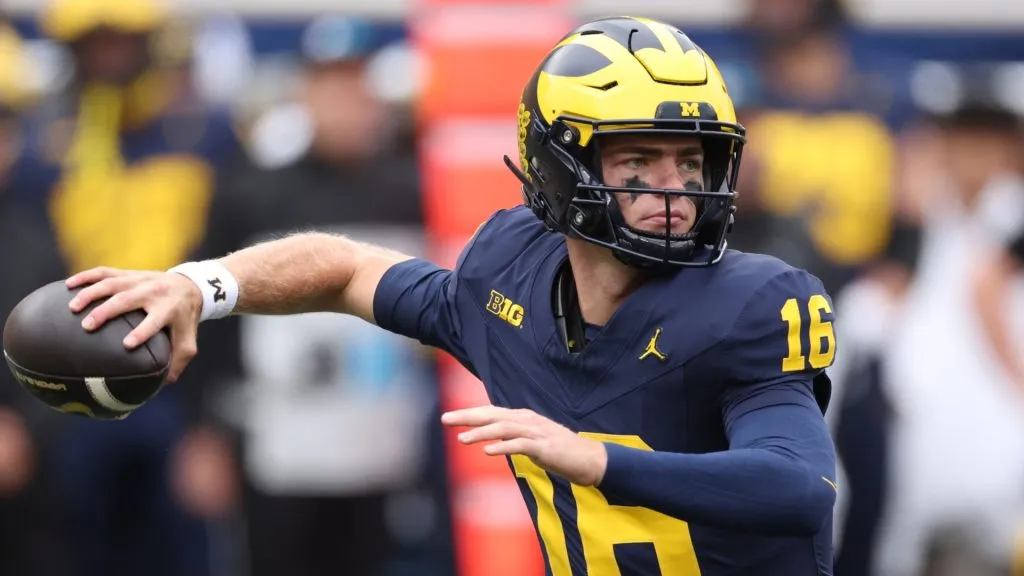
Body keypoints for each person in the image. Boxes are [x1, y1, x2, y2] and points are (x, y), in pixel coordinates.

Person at [64, 16, 838, 575]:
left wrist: (597, 461)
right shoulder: (509, 278)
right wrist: (200, 285)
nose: (675, 191)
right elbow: (345, 267)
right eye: (638, 164)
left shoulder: (750, 305)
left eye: (693, 164)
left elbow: (799, 487)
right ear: (559, 169)